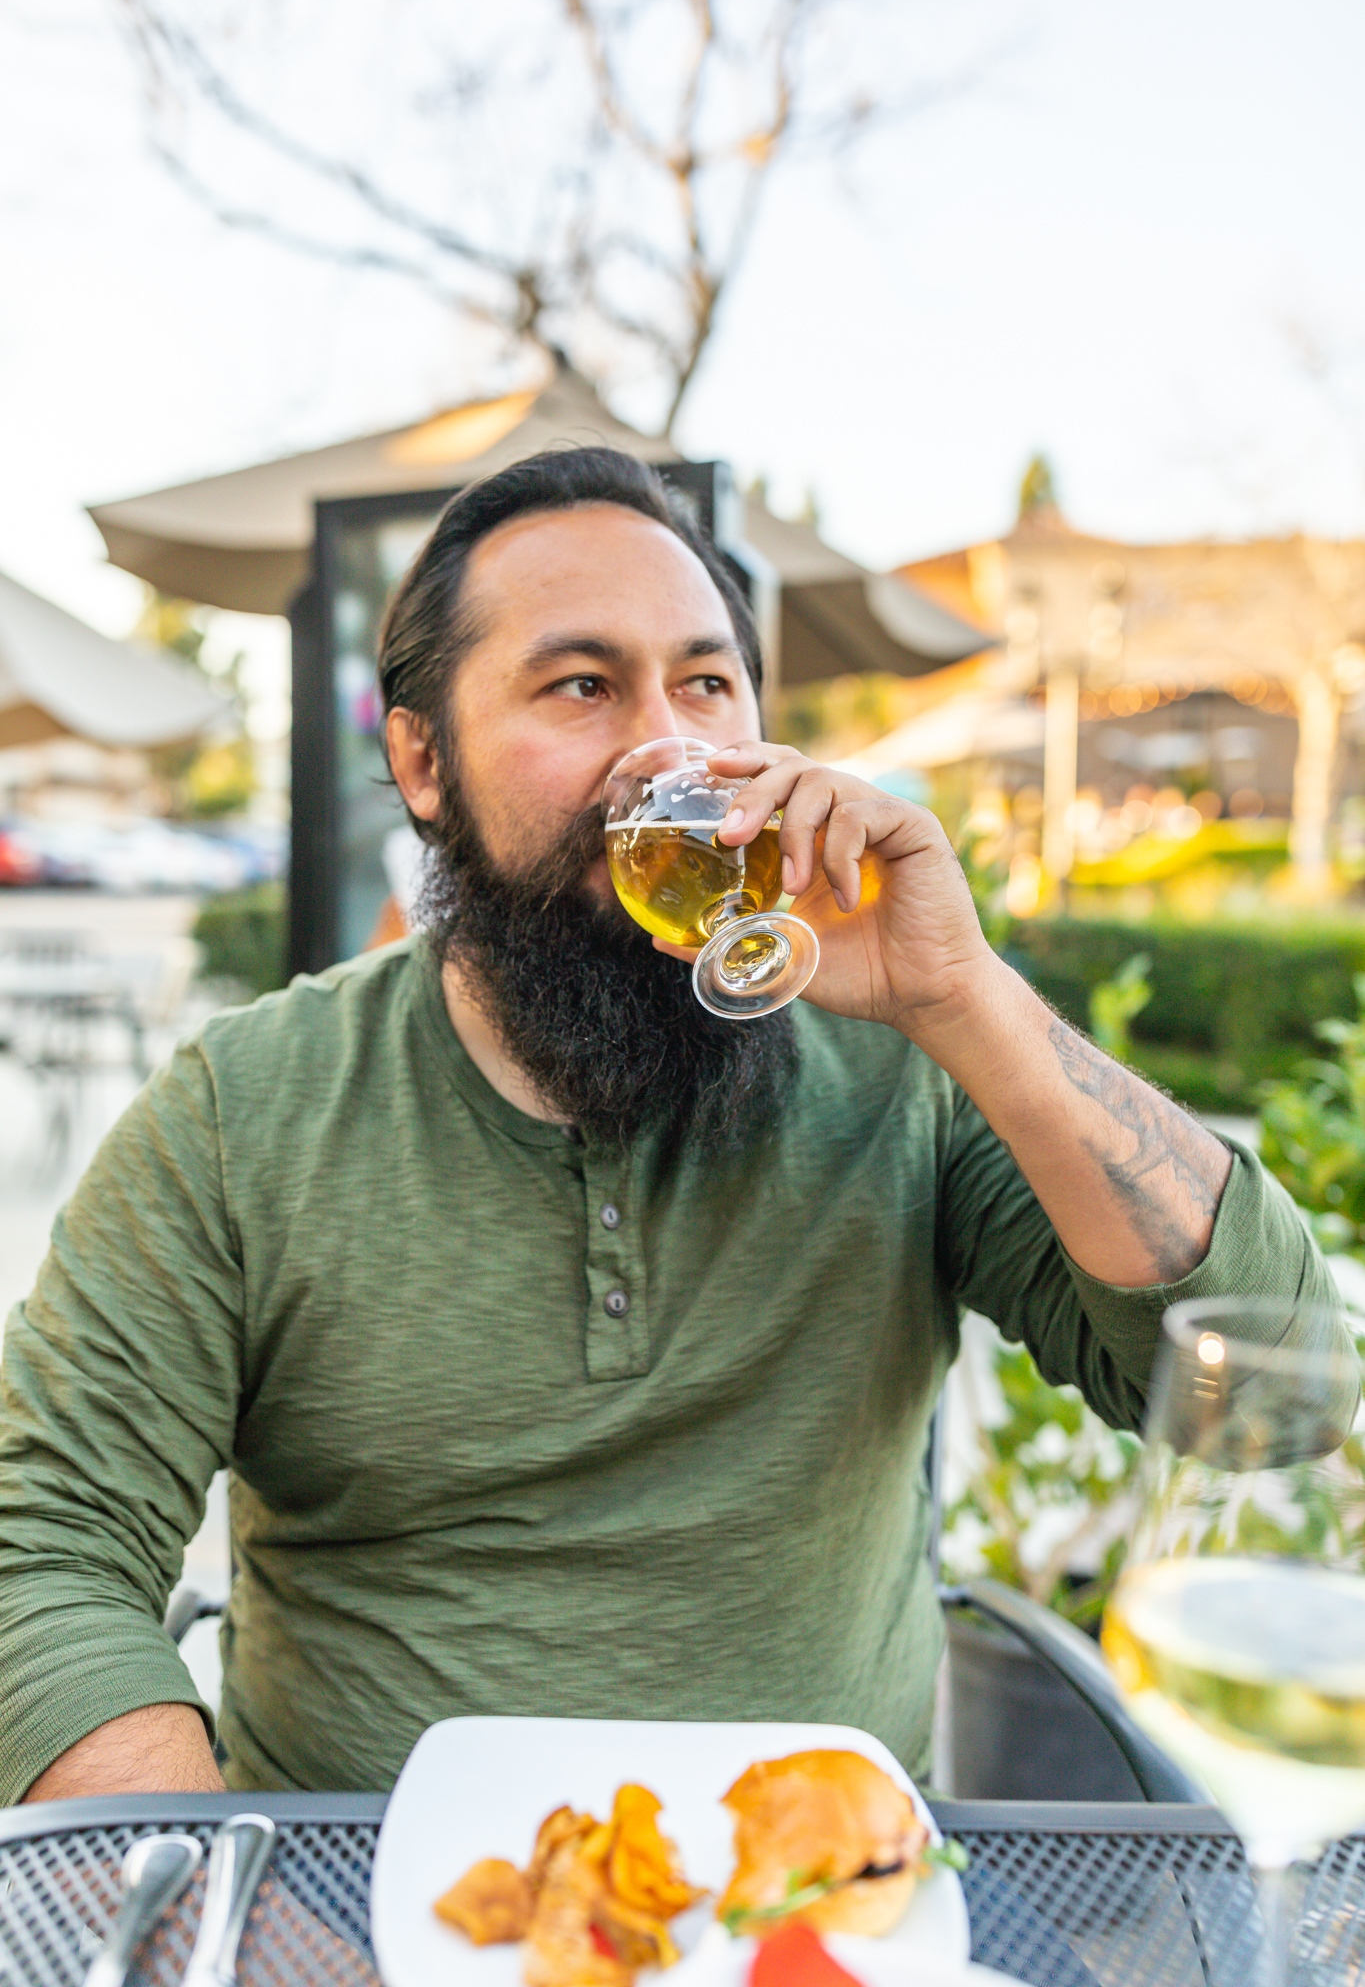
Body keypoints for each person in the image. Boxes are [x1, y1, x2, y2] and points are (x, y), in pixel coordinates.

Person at [0, 448, 1338, 1803]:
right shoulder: (245, 1108)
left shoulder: (908, 1062)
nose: (670, 751)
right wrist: (224, 1889)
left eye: (705, 683)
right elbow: (42, 1542)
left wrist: (963, 997)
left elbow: (1272, 1388)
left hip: (823, 1897)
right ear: (422, 760)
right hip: (375, 1893)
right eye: (581, 685)